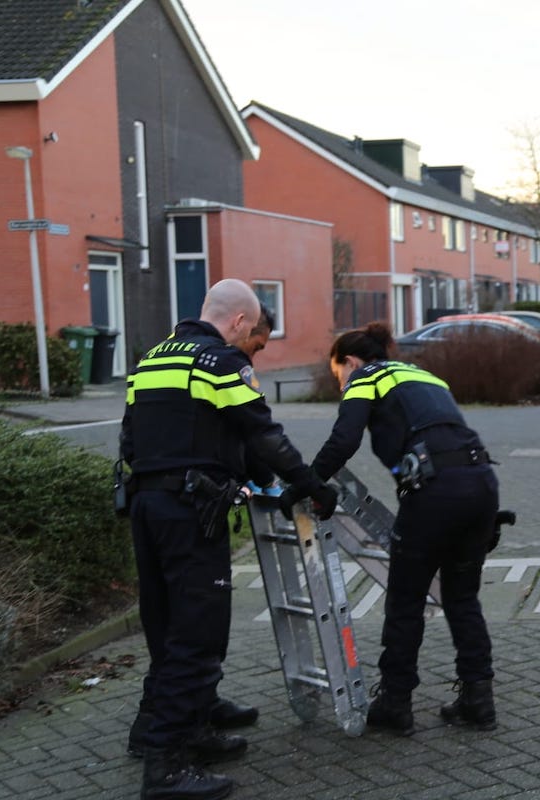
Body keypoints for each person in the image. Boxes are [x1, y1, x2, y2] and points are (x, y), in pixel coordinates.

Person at [121, 279, 338, 800]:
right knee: (196, 634)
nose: (253, 346)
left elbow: (133, 438)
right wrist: (309, 485)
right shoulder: (218, 362)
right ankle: (166, 768)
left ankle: (172, 727)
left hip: (147, 507)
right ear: (240, 320)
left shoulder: (153, 358)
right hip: (191, 512)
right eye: (254, 333)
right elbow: (261, 431)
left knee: (169, 625)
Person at [288, 321, 499, 736]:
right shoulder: (424, 375)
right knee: (462, 597)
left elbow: (344, 438)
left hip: (434, 492)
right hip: (481, 485)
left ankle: (396, 703)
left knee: (405, 600)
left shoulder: (366, 376)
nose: (340, 384)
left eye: (338, 375)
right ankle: (479, 700)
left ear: (349, 361)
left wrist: (308, 482)